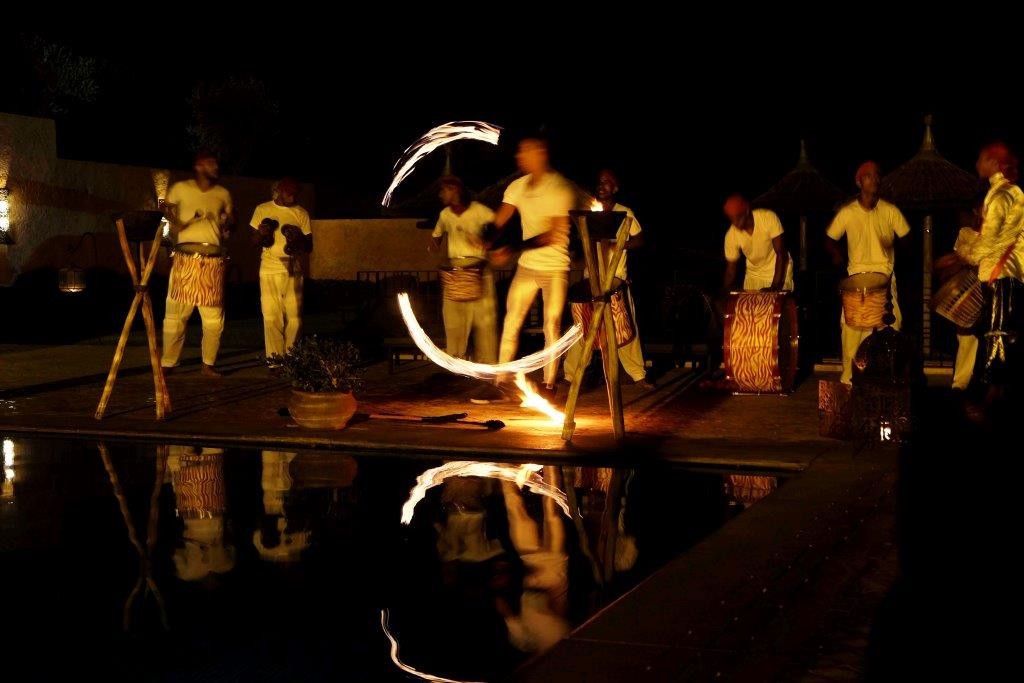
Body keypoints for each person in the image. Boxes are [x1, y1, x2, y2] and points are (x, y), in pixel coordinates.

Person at [489, 138, 575, 400]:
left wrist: (511, 249)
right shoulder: (517, 186)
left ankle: (549, 385)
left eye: (524, 151)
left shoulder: (560, 188)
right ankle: (501, 382)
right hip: (527, 266)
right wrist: (485, 240)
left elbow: (553, 235)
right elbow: (498, 220)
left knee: (552, 325)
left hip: (555, 267)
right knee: (511, 321)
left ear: (540, 154)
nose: (519, 156)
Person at [562, 169, 652, 388]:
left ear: (615, 188)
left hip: (616, 277)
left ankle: (638, 375)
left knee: (624, 328)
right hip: (591, 276)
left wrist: (618, 245)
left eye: (607, 182)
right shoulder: (589, 212)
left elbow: (640, 240)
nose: (602, 185)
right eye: (599, 182)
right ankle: (570, 376)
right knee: (582, 327)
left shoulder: (625, 212)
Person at [825, 161, 911, 384]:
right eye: (869, 176)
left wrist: (893, 246)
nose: (875, 179)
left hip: (885, 277)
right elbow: (829, 239)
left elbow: (907, 238)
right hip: (857, 279)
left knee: (893, 326)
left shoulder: (890, 211)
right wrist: (837, 256)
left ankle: (887, 379)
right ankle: (848, 382)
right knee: (851, 330)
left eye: (877, 175)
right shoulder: (848, 213)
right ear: (859, 181)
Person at [961, 142, 1024, 410]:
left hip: (1003, 273)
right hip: (1005, 272)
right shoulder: (1008, 192)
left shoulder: (1001, 195)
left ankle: (992, 394)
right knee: (1000, 332)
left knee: (997, 333)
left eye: (981, 159)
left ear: (995, 164)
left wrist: (967, 254)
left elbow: (992, 239)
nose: (977, 164)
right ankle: (996, 393)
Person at [161, 151, 233, 377]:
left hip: (212, 262)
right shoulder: (180, 189)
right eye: (212, 164)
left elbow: (232, 221)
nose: (216, 168)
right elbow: (166, 210)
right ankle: (168, 363)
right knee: (175, 316)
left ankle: (208, 365)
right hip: (185, 260)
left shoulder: (223, 194)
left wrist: (227, 223)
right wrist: (178, 221)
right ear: (199, 166)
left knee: (213, 320)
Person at [250, 177, 312, 363]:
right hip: (268, 269)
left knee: (295, 318)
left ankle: (291, 359)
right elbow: (252, 242)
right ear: (279, 191)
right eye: (289, 194)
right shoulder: (263, 209)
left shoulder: (301, 213)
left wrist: (298, 239)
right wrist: (261, 234)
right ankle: (275, 361)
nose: (292, 198)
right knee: (271, 317)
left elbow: (309, 247)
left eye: (295, 194)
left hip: (293, 269)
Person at [722, 194, 794, 292]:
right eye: (731, 219)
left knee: (776, 305)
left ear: (746, 210)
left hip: (779, 273)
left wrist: (775, 286)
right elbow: (731, 270)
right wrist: (725, 291)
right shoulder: (731, 235)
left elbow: (781, 253)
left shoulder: (768, 217)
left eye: (738, 217)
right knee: (748, 307)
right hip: (753, 276)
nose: (735, 222)